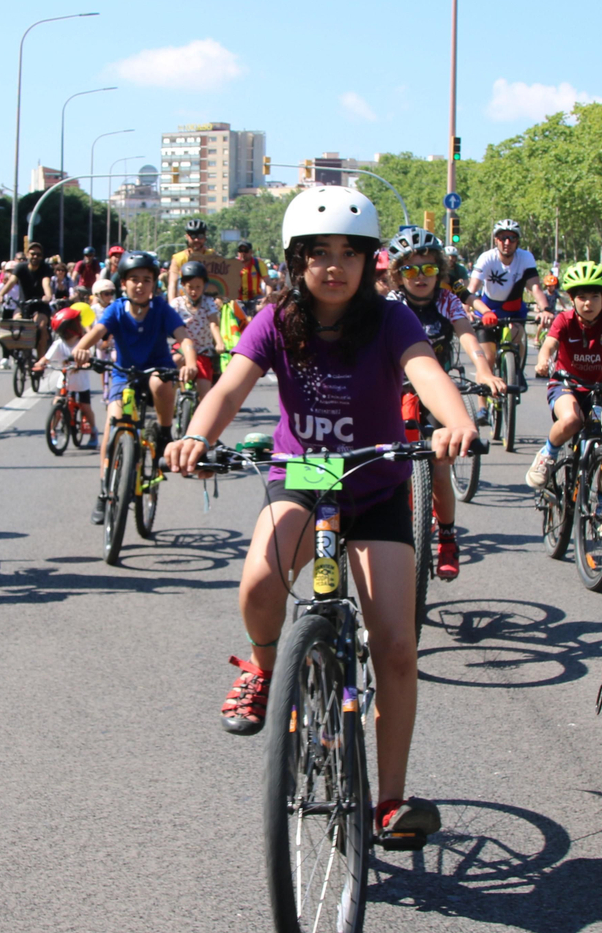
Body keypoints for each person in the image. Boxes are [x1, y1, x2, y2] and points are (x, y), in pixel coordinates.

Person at [165, 187, 478, 851]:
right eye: (318, 253)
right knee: (258, 585)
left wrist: (457, 420)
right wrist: (195, 435)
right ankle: (261, 665)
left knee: (395, 644)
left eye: (349, 253)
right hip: (303, 475)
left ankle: (389, 799)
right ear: (295, 260)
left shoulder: (393, 321)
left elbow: (426, 372)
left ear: (370, 262)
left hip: (377, 480)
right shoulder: (277, 320)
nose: (333, 266)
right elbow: (229, 386)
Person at [388, 226, 504, 579]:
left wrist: (483, 370)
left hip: (439, 394)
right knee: (393, 467)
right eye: (410, 270)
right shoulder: (391, 304)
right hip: (399, 391)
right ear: (397, 274)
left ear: (439, 270)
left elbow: (467, 336)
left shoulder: (447, 300)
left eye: (428, 269)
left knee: (440, 468)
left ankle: (448, 539)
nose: (420, 277)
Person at [70, 250, 196, 523]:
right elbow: (97, 333)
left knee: (160, 381)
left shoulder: (162, 309)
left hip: (156, 369)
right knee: (113, 425)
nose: (140, 285)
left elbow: (184, 338)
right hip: (124, 375)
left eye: (147, 280)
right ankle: (105, 491)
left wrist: (190, 361)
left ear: (154, 284)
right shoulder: (116, 309)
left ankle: (163, 433)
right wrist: (80, 349)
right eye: (134, 279)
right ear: (123, 283)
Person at [528, 261, 602, 488]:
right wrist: (542, 362)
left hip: (598, 389)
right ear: (572, 299)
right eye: (582, 297)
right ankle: (546, 455)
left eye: (595, 296)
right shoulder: (564, 320)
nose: (589, 303)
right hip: (565, 384)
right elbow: (549, 345)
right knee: (572, 420)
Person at [469, 220, 542, 387]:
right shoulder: (487, 258)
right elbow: (472, 289)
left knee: (517, 335)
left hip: (513, 310)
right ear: (496, 240)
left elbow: (535, 287)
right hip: (487, 310)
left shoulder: (525, 257)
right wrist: (466, 309)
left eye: (511, 238)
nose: (507, 242)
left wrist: (546, 309)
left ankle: (516, 369)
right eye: (502, 238)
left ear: (518, 241)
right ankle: (482, 409)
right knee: (488, 359)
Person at [41, 306, 101, 447]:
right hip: (64, 382)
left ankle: (93, 430)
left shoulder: (84, 343)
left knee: (85, 407)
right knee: (57, 403)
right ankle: (53, 430)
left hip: (81, 384)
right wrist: (40, 364)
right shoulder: (59, 344)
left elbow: (89, 357)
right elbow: (46, 358)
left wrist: (86, 364)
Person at [171, 260, 223, 388]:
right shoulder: (177, 304)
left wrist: (220, 343)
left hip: (203, 351)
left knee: (204, 392)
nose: (194, 291)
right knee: (174, 362)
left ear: (205, 286)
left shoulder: (208, 302)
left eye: (198, 287)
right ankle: (178, 396)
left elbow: (213, 324)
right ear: (183, 285)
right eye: (190, 287)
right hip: (182, 350)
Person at [168, 218, 215, 299]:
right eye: (193, 236)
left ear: (205, 237)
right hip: (184, 304)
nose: (197, 240)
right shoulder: (178, 258)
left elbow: (223, 283)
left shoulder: (212, 256)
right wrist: (172, 305)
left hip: (208, 303)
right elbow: (172, 285)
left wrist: (219, 300)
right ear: (187, 237)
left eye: (200, 236)